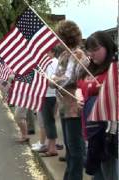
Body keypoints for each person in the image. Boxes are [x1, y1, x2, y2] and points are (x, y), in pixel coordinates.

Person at [76, 31, 118, 180]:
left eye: (96, 49)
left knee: (109, 173)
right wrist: (79, 94)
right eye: (89, 50)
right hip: (91, 129)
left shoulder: (115, 68)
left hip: (107, 132)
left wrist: (108, 90)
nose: (91, 54)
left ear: (107, 47)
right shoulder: (90, 67)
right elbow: (79, 84)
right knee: (97, 172)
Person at [53, 20, 87, 180]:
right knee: (69, 146)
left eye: (60, 36)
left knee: (75, 148)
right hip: (63, 105)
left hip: (74, 106)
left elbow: (68, 77)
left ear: (67, 37)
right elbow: (58, 74)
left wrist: (54, 81)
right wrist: (54, 79)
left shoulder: (78, 54)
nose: (58, 39)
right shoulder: (64, 54)